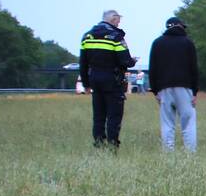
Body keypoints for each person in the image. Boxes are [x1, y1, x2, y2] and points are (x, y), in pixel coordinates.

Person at [79, 9, 137, 148]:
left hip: (95, 80)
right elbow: (124, 60)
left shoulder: (87, 36)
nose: (119, 23)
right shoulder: (115, 36)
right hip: (112, 80)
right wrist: (132, 61)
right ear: (113, 19)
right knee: (114, 115)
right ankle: (112, 146)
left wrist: (86, 84)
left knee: (98, 115)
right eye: (118, 20)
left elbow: (83, 62)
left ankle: (99, 143)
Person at [149, 16, 199, 153]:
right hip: (185, 87)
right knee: (188, 122)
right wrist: (195, 92)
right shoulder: (188, 43)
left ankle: (168, 153)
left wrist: (155, 91)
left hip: (164, 88)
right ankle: (190, 153)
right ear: (180, 26)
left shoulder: (157, 43)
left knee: (167, 123)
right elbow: (194, 68)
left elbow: (152, 68)